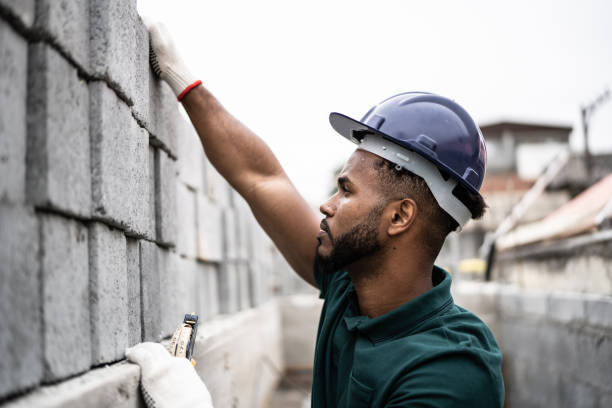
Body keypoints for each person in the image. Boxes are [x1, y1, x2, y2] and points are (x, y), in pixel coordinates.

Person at [127, 21, 504, 408]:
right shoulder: (352, 286)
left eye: (346, 190)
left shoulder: (451, 373)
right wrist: (183, 80)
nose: (327, 205)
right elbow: (261, 178)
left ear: (399, 217)